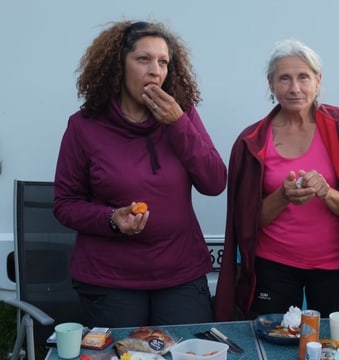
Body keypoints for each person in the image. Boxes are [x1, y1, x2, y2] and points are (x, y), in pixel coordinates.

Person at [53, 20, 228, 327]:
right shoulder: (84, 126)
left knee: (190, 349)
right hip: (110, 278)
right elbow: (65, 204)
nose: (155, 71)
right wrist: (111, 219)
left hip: (180, 273)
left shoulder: (182, 115)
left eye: (163, 62)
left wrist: (177, 125)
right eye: (143, 59)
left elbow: (214, 182)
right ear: (118, 66)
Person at [213, 39, 339, 321]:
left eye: (303, 77)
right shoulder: (252, 141)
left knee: (329, 345)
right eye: (284, 78)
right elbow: (246, 224)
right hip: (273, 266)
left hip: (333, 266)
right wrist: (282, 196)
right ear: (271, 84)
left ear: (318, 81)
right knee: (275, 343)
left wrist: (326, 192)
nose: (295, 88)